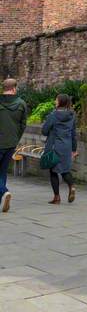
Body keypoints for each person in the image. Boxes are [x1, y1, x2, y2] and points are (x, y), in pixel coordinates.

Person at [42, 94, 78, 205]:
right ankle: (71, 185)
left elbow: (44, 131)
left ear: (60, 102)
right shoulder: (72, 115)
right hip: (66, 146)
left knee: (53, 171)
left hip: (54, 146)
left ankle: (57, 197)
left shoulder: (53, 115)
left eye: (56, 100)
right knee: (64, 170)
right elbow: (73, 134)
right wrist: (74, 149)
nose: (55, 101)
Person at [0, 77, 28, 213]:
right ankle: (3, 197)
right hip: (11, 143)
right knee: (3, 171)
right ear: (14, 88)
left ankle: (4, 192)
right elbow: (23, 125)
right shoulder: (22, 104)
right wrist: (16, 138)